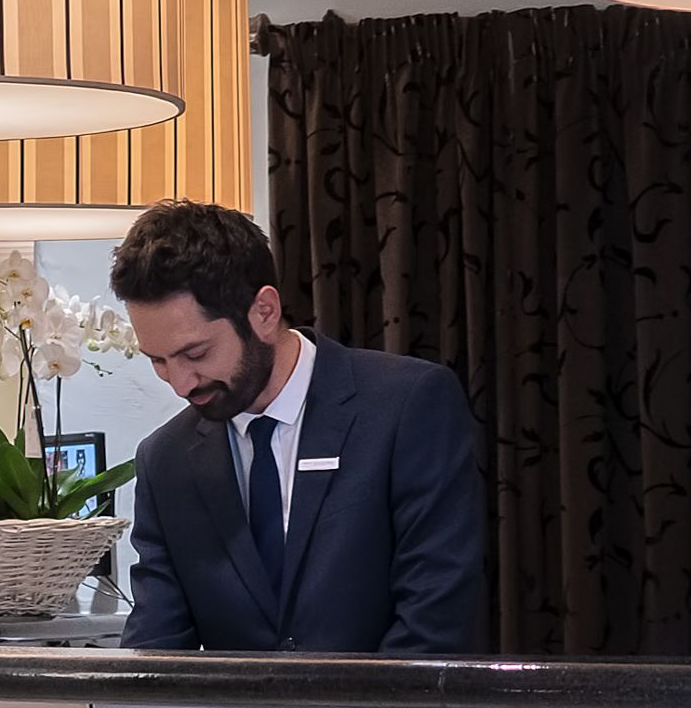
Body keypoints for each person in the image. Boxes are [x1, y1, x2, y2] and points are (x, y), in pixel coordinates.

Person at [107, 200, 488, 655]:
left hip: (395, 702)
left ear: (264, 312)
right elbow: (157, 648)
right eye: (158, 361)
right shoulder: (164, 460)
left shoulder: (406, 406)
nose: (180, 383)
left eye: (196, 354)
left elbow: (436, 616)